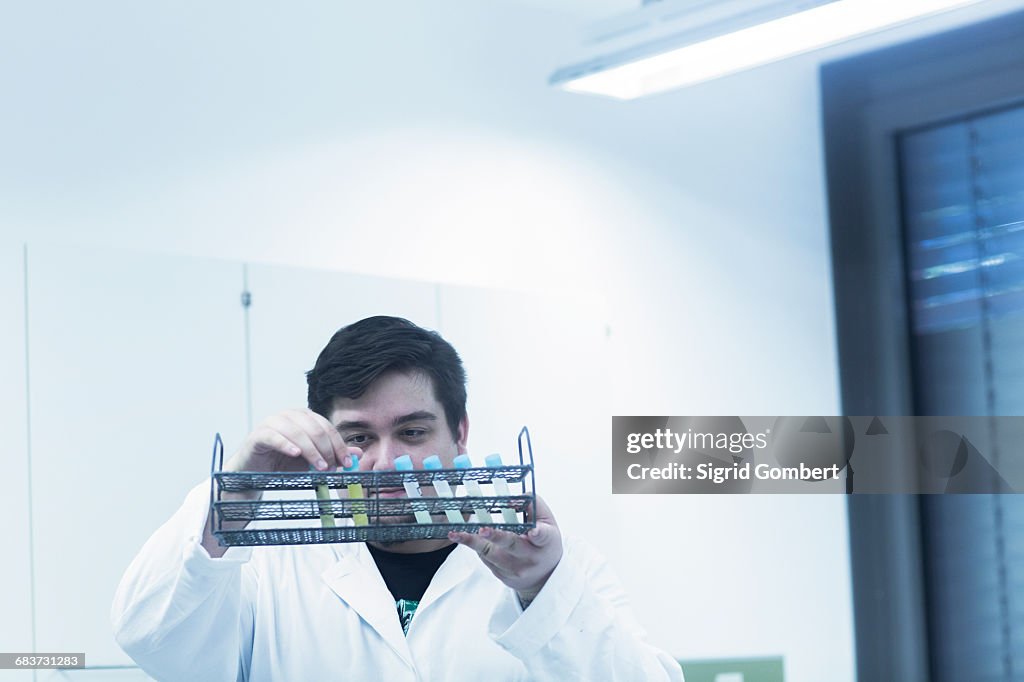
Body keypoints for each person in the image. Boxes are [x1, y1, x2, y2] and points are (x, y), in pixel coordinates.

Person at [112, 316, 684, 681]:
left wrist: (544, 591)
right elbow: (149, 636)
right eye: (359, 437)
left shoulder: (561, 568)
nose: (386, 463)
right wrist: (238, 492)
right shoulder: (269, 569)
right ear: (324, 439)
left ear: (460, 434)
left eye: (412, 432)